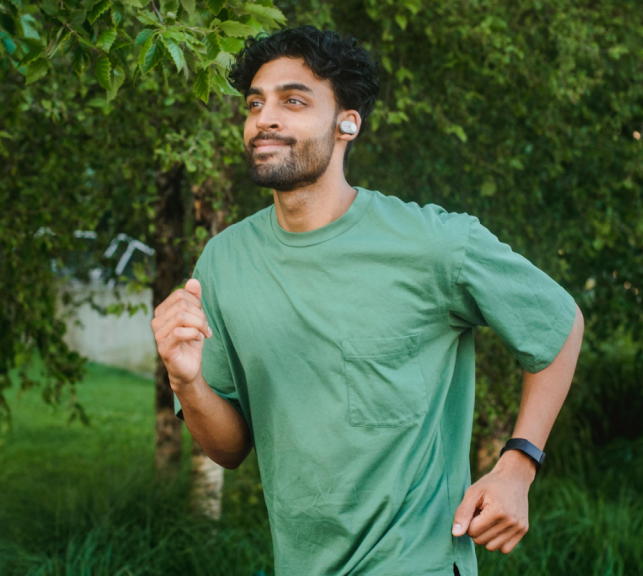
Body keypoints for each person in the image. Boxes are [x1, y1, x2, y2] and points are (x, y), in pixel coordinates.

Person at [150, 25, 584, 576]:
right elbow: (229, 449)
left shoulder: (434, 243)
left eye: (294, 101)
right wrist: (187, 379)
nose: (265, 118)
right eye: (255, 103)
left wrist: (519, 465)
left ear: (347, 122)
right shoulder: (223, 262)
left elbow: (558, 323)